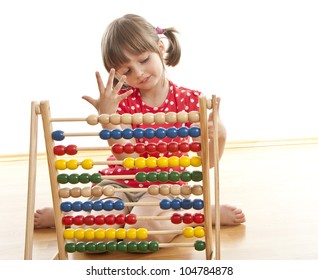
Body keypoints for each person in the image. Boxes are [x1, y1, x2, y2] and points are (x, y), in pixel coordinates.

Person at [34, 14, 245, 243]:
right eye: (126, 71)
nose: (139, 73)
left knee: (144, 235)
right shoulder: (121, 103)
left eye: (144, 60)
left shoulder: (191, 102)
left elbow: (209, 162)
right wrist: (108, 119)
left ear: (160, 47)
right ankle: (70, 215)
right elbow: (129, 157)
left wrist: (220, 134)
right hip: (118, 183)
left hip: (166, 187)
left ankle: (198, 214)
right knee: (95, 238)